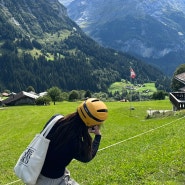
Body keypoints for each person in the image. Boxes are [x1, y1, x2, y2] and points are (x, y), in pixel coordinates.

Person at [34, 98, 108, 185]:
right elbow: (88, 156)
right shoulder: (75, 141)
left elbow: (59, 136)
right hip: (51, 180)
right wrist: (98, 136)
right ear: (92, 123)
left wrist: (83, 130)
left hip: (36, 170)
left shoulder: (56, 119)